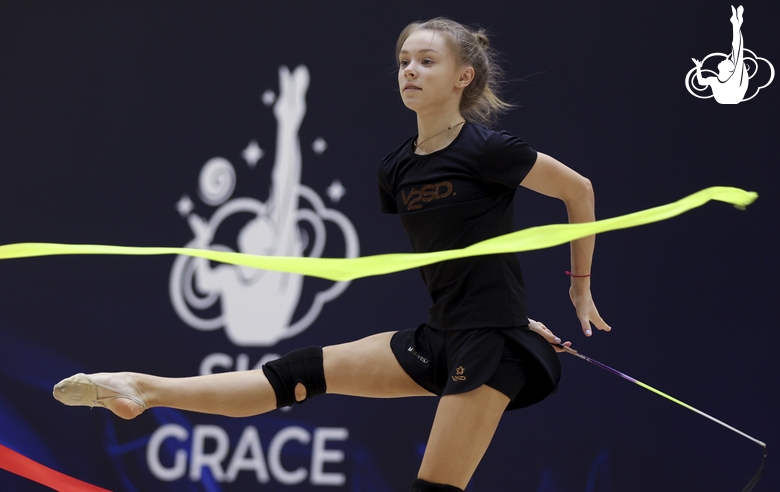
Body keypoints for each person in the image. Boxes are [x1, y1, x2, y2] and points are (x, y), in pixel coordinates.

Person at [53, 18, 610, 492]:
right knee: (297, 373)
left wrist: (576, 286)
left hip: (491, 345)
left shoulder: (489, 150)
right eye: (403, 62)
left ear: (463, 77)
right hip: (443, 333)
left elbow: (578, 190)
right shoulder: (397, 168)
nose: (409, 71)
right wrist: (508, 312)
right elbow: (455, 260)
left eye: (426, 61)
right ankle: (141, 390)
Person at [692, 5, 748, 104]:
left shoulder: (723, 79)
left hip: (732, 96)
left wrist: (698, 68)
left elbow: (738, 50)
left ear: (729, 69)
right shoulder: (716, 79)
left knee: (737, 51)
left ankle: (736, 24)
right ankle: (736, 24)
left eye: (727, 61)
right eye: (728, 61)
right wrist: (698, 67)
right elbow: (700, 82)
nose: (724, 59)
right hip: (731, 97)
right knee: (737, 52)